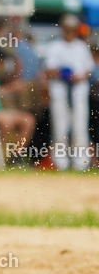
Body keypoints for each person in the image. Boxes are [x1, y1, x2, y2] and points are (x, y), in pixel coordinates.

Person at [45, 14, 94, 171]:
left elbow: (89, 70)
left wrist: (77, 77)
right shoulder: (55, 46)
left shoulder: (81, 47)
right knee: (60, 129)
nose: (70, 33)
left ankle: (81, 162)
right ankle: (60, 163)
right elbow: (49, 69)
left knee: (80, 128)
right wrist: (63, 74)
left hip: (78, 94)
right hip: (60, 93)